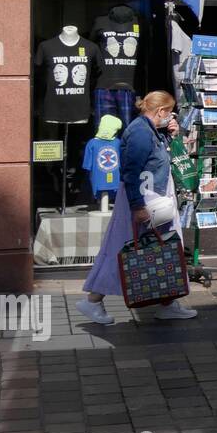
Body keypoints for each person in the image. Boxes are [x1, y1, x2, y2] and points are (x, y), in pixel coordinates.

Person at [76, 90, 197, 324]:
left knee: (161, 248)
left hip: (151, 198)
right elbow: (132, 172)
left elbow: (155, 159)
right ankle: (93, 301)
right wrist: (138, 206)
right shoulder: (142, 133)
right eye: (169, 112)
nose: (170, 116)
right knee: (127, 248)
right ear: (160, 111)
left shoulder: (149, 129)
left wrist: (170, 136)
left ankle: (167, 302)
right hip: (146, 200)